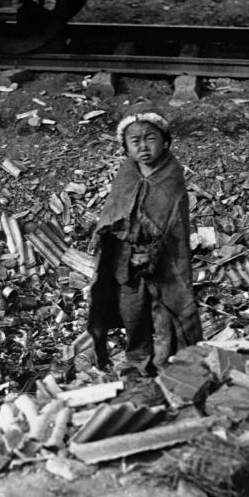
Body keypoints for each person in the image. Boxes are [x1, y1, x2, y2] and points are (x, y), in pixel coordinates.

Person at [86, 108, 203, 376]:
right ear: (125, 147)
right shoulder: (125, 175)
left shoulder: (171, 177)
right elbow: (113, 212)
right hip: (126, 259)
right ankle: (137, 362)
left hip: (163, 262)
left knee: (167, 314)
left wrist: (153, 251)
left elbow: (173, 226)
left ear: (164, 140)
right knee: (132, 313)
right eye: (135, 141)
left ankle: (167, 364)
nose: (143, 146)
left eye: (150, 138)